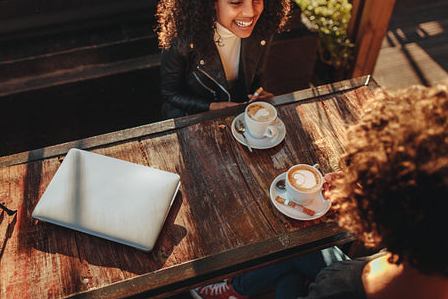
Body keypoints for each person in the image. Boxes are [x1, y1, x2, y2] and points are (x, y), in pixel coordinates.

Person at [191, 82, 448, 299]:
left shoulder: (338, 287)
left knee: (292, 251)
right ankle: (237, 288)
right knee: (294, 255)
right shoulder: (428, 252)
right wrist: (359, 188)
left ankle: (236, 288)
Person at [155, 0, 291, 119]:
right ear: (212, 0)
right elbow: (171, 94)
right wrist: (212, 107)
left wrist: (259, 94)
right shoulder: (182, 39)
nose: (251, 12)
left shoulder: (262, 29)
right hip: (194, 121)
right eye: (236, 2)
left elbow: (257, 76)